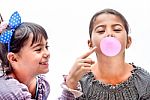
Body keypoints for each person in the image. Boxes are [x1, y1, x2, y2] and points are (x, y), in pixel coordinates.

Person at [59, 8, 150, 100]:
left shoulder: (143, 80)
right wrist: (71, 84)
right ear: (90, 44)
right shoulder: (80, 81)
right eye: (101, 31)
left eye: (117, 30)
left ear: (128, 41)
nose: (109, 34)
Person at [0, 11, 50, 100]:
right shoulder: (9, 92)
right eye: (38, 49)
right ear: (13, 58)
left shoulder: (41, 85)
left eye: (46, 46)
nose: (47, 53)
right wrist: (70, 86)